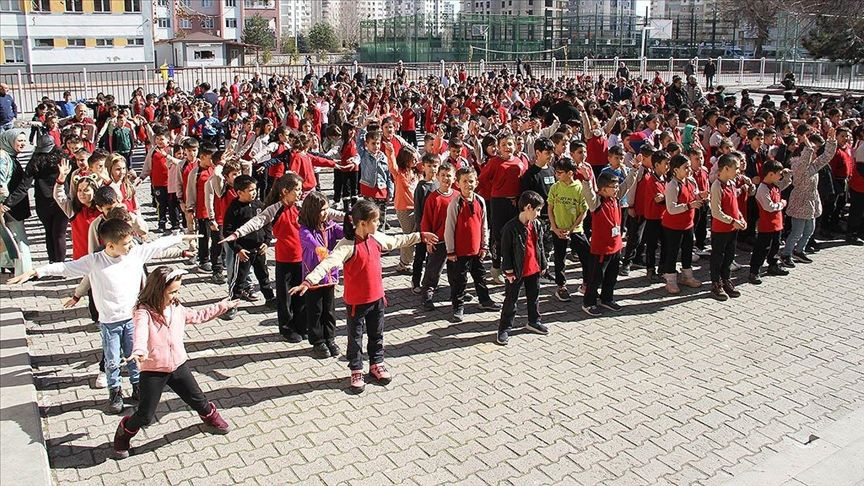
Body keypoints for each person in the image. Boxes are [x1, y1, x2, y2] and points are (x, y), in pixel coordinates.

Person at [9, 220, 195, 413]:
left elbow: (157, 245)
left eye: (131, 242)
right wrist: (35, 272)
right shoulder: (95, 261)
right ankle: (115, 392)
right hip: (109, 323)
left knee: (135, 357)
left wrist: (180, 237)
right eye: (126, 243)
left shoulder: (135, 254)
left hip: (133, 320)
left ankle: (137, 386)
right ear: (110, 245)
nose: (131, 246)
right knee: (112, 361)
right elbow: (65, 268)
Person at [289, 199, 438, 393]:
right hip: (355, 304)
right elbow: (328, 264)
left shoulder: (376, 238)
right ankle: (356, 370)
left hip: (377, 299)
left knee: (377, 335)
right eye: (375, 221)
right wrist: (309, 281)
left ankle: (376, 363)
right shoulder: (346, 245)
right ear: (362, 223)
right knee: (355, 339)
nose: (378, 224)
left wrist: (420, 236)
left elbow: (398, 240)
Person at [112, 266, 238, 459]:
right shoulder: (142, 312)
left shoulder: (176, 307)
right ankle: (123, 434)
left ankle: (210, 418)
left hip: (178, 365)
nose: (175, 295)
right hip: (154, 369)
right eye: (172, 291)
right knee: (145, 415)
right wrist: (139, 351)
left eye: (177, 290)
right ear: (158, 289)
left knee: (199, 400)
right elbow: (140, 334)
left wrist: (221, 307)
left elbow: (197, 316)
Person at [222, 172, 342, 343]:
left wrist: (352, 217)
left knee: (301, 296)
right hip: (285, 259)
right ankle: (287, 329)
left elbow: (328, 212)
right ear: (285, 191)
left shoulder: (301, 207)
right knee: (285, 297)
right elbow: (257, 222)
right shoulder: (275, 209)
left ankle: (302, 326)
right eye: (297, 190)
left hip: (303, 259)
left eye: (301, 190)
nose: (300, 193)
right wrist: (236, 234)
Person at [444, 167, 499, 322]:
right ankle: (458, 306)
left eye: (471, 181)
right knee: (459, 281)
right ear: (458, 184)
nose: (468, 184)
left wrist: (484, 245)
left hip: (476, 250)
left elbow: (484, 225)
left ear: (476, 182)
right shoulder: (455, 203)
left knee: (480, 277)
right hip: (460, 252)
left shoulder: (480, 201)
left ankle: (484, 300)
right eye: (465, 181)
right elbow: (450, 227)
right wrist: (450, 250)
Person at [496, 191, 548, 345]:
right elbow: (505, 251)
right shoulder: (510, 228)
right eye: (537, 210)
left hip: (533, 269)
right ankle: (504, 328)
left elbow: (540, 246)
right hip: (517, 270)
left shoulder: (536, 225)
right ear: (527, 207)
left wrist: (543, 264)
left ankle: (534, 321)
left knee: (534, 297)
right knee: (511, 300)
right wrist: (508, 271)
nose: (539, 214)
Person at [298, 191, 344, 359]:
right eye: (322, 210)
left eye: (327, 208)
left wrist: (357, 227)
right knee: (315, 310)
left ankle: (330, 338)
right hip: (314, 277)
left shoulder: (330, 225)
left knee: (329, 310)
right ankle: (317, 341)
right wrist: (332, 255)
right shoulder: (304, 231)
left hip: (330, 277)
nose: (325, 213)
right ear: (312, 211)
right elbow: (316, 247)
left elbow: (344, 231)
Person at [782, 128, 838, 265]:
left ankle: (799, 251)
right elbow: (803, 164)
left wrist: (831, 140)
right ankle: (786, 254)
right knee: (796, 232)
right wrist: (807, 146)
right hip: (800, 202)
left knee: (809, 230)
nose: (815, 153)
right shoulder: (796, 164)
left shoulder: (813, 165)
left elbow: (826, 156)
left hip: (811, 201)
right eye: (812, 150)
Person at [222, 174, 275, 318]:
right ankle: (232, 305)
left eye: (255, 189)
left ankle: (270, 298)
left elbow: (267, 224)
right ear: (239, 193)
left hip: (259, 249)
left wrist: (267, 242)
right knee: (239, 279)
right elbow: (227, 231)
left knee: (263, 275)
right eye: (251, 190)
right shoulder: (234, 208)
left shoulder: (259, 205)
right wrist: (237, 249)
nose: (254, 192)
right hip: (244, 251)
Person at [661, 154, 706, 294]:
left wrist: (701, 195)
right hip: (673, 226)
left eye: (688, 167)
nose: (688, 170)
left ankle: (687, 277)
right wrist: (689, 205)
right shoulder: (672, 185)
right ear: (675, 170)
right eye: (685, 168)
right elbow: (671, 208)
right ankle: (670, 281)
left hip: (688, 224)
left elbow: (695, 194)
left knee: (687, 251)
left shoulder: (691, 181)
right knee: (672, 253)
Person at [547, 157, 589, 302]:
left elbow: (583, 212)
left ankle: (586, 283)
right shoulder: (555, 187)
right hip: (558, 229)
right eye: (556, 172)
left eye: (560, 172)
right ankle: (561, 286)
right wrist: (554, 227)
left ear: (570, 173)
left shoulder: (580, 188)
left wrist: (571, 229)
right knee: (559, 259)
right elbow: (550, 208)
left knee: (586, 256)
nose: (557, 175)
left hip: (576, 230)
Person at [709, 153, 747, 301]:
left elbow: (734, 206)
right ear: (726, 168)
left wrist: (740, 217)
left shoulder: (732, 183)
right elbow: (716, 211)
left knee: (729, 256)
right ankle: (715, 283)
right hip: (721, 229)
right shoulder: (717, 186)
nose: (738, 171)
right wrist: (732, 221)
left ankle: (726, 279)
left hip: (732, 228)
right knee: (718, 256)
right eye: (736, 168)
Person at [420, 162, 457, 310]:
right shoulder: (433, 198)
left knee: (455, 269)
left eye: (449, 175)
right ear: (437, 177)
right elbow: (426, 220)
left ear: (454, 178)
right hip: (438, 240)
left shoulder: (457, 196)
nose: (446, 178)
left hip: (455, 241)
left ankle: (456, 291)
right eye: (443, 175)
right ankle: (427, 292)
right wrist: (428, 240)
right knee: (433, 269)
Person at [749, 161, 792, 284]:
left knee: (775, 246)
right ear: (771, 174)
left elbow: (786, 183)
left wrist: (787, 175)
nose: (781, 176)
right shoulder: (763, 189)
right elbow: (769, 207)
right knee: (762, 248)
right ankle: (754, 271)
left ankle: (773, 265)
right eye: (779, 174)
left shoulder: (774, 185)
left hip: (777, 224)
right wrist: (782, 204)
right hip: (766, 225)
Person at [0, 129, 33, 275]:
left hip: (11, 205)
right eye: (19, 140)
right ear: (9, 141)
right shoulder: (3, 157)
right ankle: (24, 271)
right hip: (9, 206)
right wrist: (4, 202)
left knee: (9, 236)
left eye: (24, 140)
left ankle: (9, 264)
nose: (23, 143)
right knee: (20, 237)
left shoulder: (10, 156)